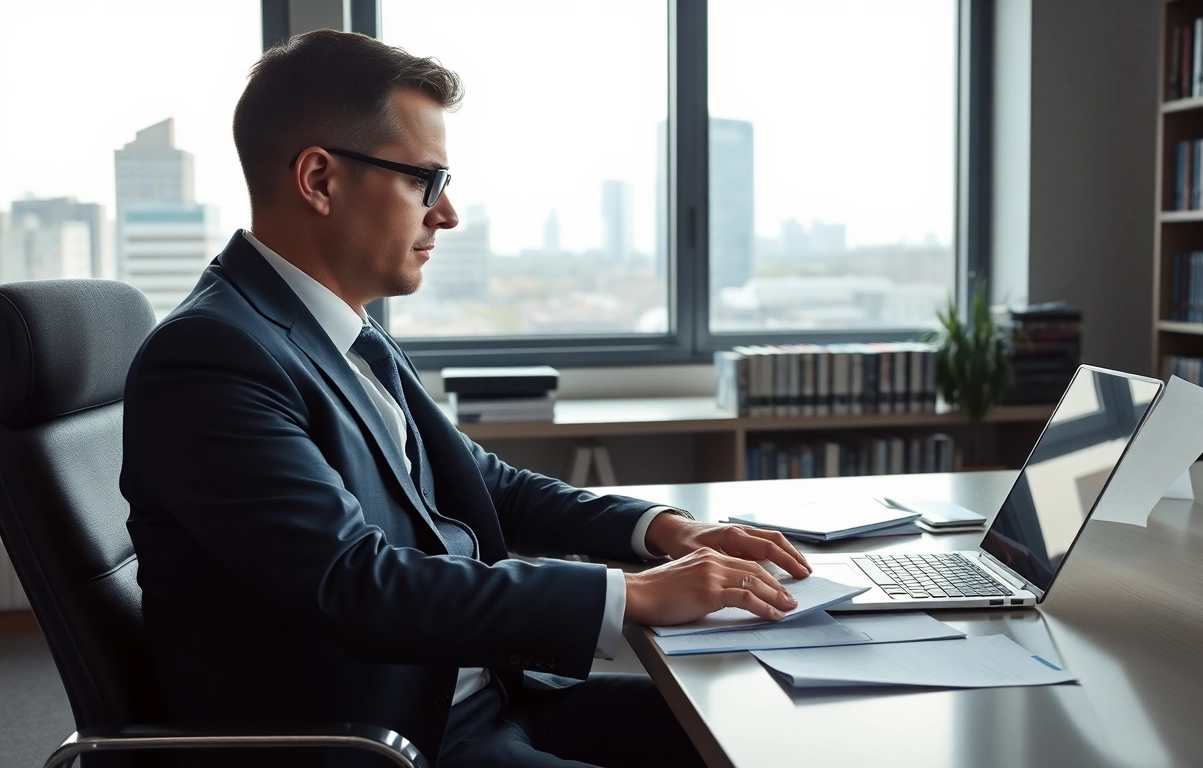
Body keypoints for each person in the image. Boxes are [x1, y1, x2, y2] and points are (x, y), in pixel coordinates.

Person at [121, 28, 812, 768]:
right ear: (319, 180)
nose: (446, 215)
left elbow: (487, 485)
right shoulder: (213, 357)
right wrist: (629, 595)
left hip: (488, 698)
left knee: (772, 733)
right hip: (389, 742)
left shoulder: (342, 331)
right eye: (426, 180)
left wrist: (664, 531)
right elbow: (352, 583)